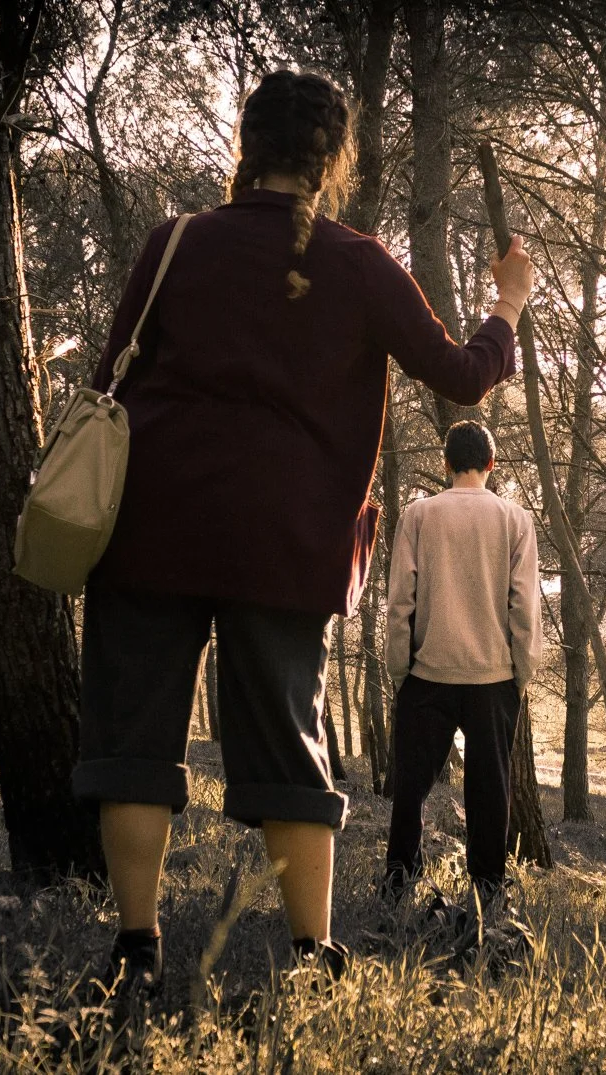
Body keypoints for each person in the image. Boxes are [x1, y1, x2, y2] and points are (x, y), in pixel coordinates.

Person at [71, 69, 534, 1005]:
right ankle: (310, 955)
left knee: (134, 742)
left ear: (247, 148)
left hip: (152, 524)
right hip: (284, 542)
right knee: (291, 743)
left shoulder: (176, 242)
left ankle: (136, 948)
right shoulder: (359, 264)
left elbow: (111, 374)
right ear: (333, 162)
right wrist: (509, 304)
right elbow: (461, 376)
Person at [381, 420, 544, 916]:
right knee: (490, 790)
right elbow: (524, 607)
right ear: (491, 463)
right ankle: (487, 892)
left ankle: (397, 883)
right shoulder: (515, 519)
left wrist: (399, 670)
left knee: (410, 787)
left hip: (427, 673)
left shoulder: (419, 515)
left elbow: (400, 602)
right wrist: (522, 673)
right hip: (493, 677)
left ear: (446, 463)